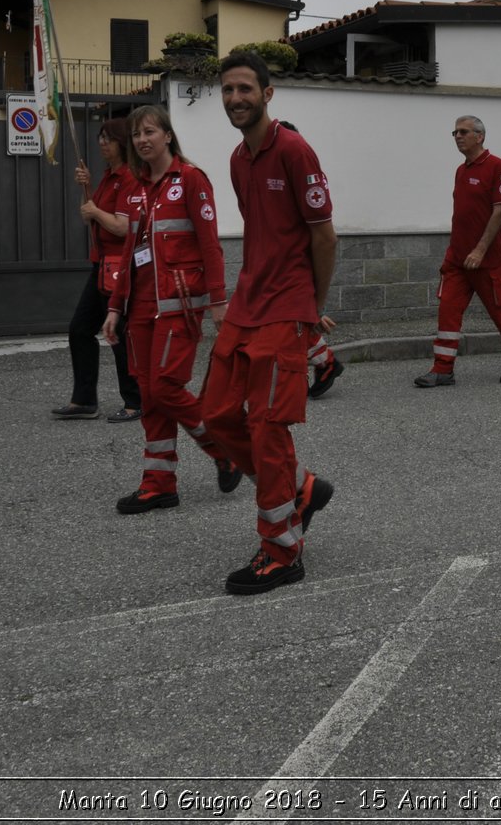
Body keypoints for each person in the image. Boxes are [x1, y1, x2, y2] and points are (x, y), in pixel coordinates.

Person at [199, 52, 338, 595]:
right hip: (247, 304)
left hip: (286, 308)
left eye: (245, 89)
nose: (236, 99)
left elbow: (324, 235)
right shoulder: (238, 159)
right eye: (228, 90)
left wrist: (311, 306)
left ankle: (283, 551)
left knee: (267, 427)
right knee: (216, 415)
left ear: (268, 93)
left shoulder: (295, 149)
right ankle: (300, 492)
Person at [103, 105, 234, 514]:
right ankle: (158, 483)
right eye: (136, 135)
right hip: (140, 308)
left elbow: (211, 244)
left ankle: (222, 449)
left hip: (181, 306)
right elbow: (129, 253)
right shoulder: (136, 189)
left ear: (168, 136)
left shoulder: (191, 180)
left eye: (149, 132)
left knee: (165, 387)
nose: (142, 141)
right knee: (148, 394)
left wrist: (218, 299)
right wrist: (115, 306)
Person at [416, 116, 501, 386]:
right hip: (456, 260)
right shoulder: (461, 170)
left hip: (487, 260)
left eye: (463, 131)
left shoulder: (497, 166)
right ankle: (442, 369)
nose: (457, 136)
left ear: (479, 136)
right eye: (455, 132)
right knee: (448, 311)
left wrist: (480, 250)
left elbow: (499, 211)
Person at [54, 117, 141, 422]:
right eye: (100, 137)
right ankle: (84, 400)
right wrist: (86, 188)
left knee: (118, 333)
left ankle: (135, 401)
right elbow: (88, 218)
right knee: (80, 329)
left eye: (109, 138)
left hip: (119, 267)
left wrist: (95, 211)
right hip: (100, 264)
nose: (102, 142)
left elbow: (123, 227)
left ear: (122, 142)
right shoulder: (106, 177)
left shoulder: (130, 177)